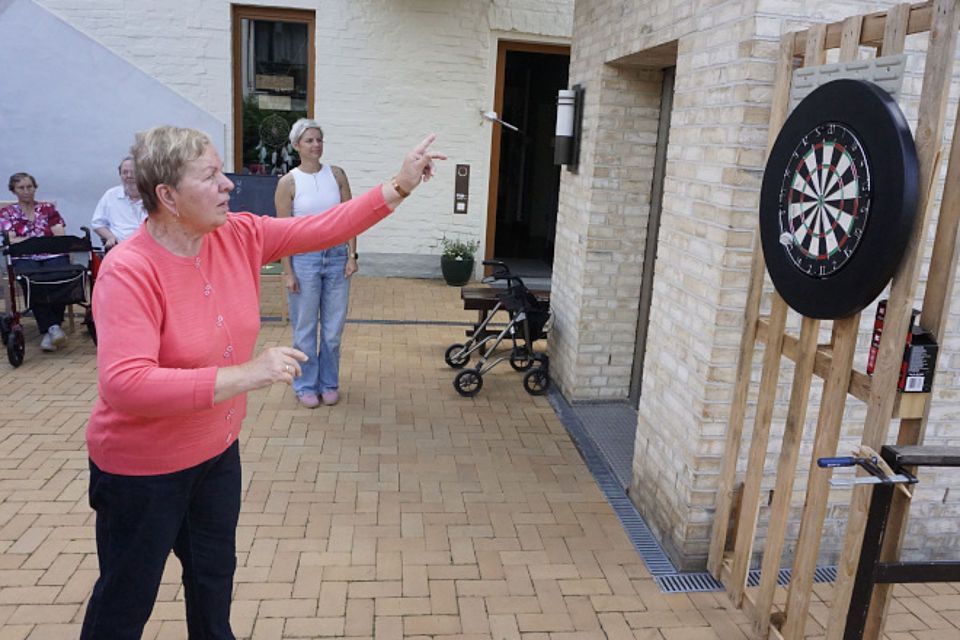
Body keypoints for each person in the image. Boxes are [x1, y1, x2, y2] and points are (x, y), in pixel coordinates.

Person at [80, 125, 443, 639]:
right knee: (126, 598)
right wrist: (248, 373)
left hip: (215, 455)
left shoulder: (238, 234)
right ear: (167, 195)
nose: (229, 184)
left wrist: (399, 185)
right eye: (211, 176)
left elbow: (326, 227)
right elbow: (125, 384)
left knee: (212, 582)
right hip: (142, 471)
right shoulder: (129, 269)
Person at [275, 119, 356, 408]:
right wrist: (288, 272)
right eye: (309, 140)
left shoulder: (337, 175)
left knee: (333, 330)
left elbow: (350, 218)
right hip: (304, 260)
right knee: (305, 329)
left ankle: (329, 383)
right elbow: (282, 234)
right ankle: (305, 384)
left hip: (335, 259)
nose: (316, 145)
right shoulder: (288, 183)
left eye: (319, 139)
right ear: (296, 145)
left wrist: (351, 255)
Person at [0, 172, 70, 351]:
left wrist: (28, 240)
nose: (26, 191)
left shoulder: (47, 209)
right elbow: (11, 240)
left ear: (35, 188)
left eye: (29, 187)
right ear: (13, 191)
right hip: (24, 257)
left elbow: (59, 235)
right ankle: (54, 327)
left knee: (60, 277)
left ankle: (50, 330)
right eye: (21, 188)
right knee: (32, 281)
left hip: (52, 254)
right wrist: (35, 241)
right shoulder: (6, 213)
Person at [91, 156, 148, 249]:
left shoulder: (153, 196)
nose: (129, 176)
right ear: (120, 175)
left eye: (134, 172)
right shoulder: (111, 195)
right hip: (120, 248)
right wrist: (110, 237)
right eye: (125, 172)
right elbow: (97, 223)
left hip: (148, 247)